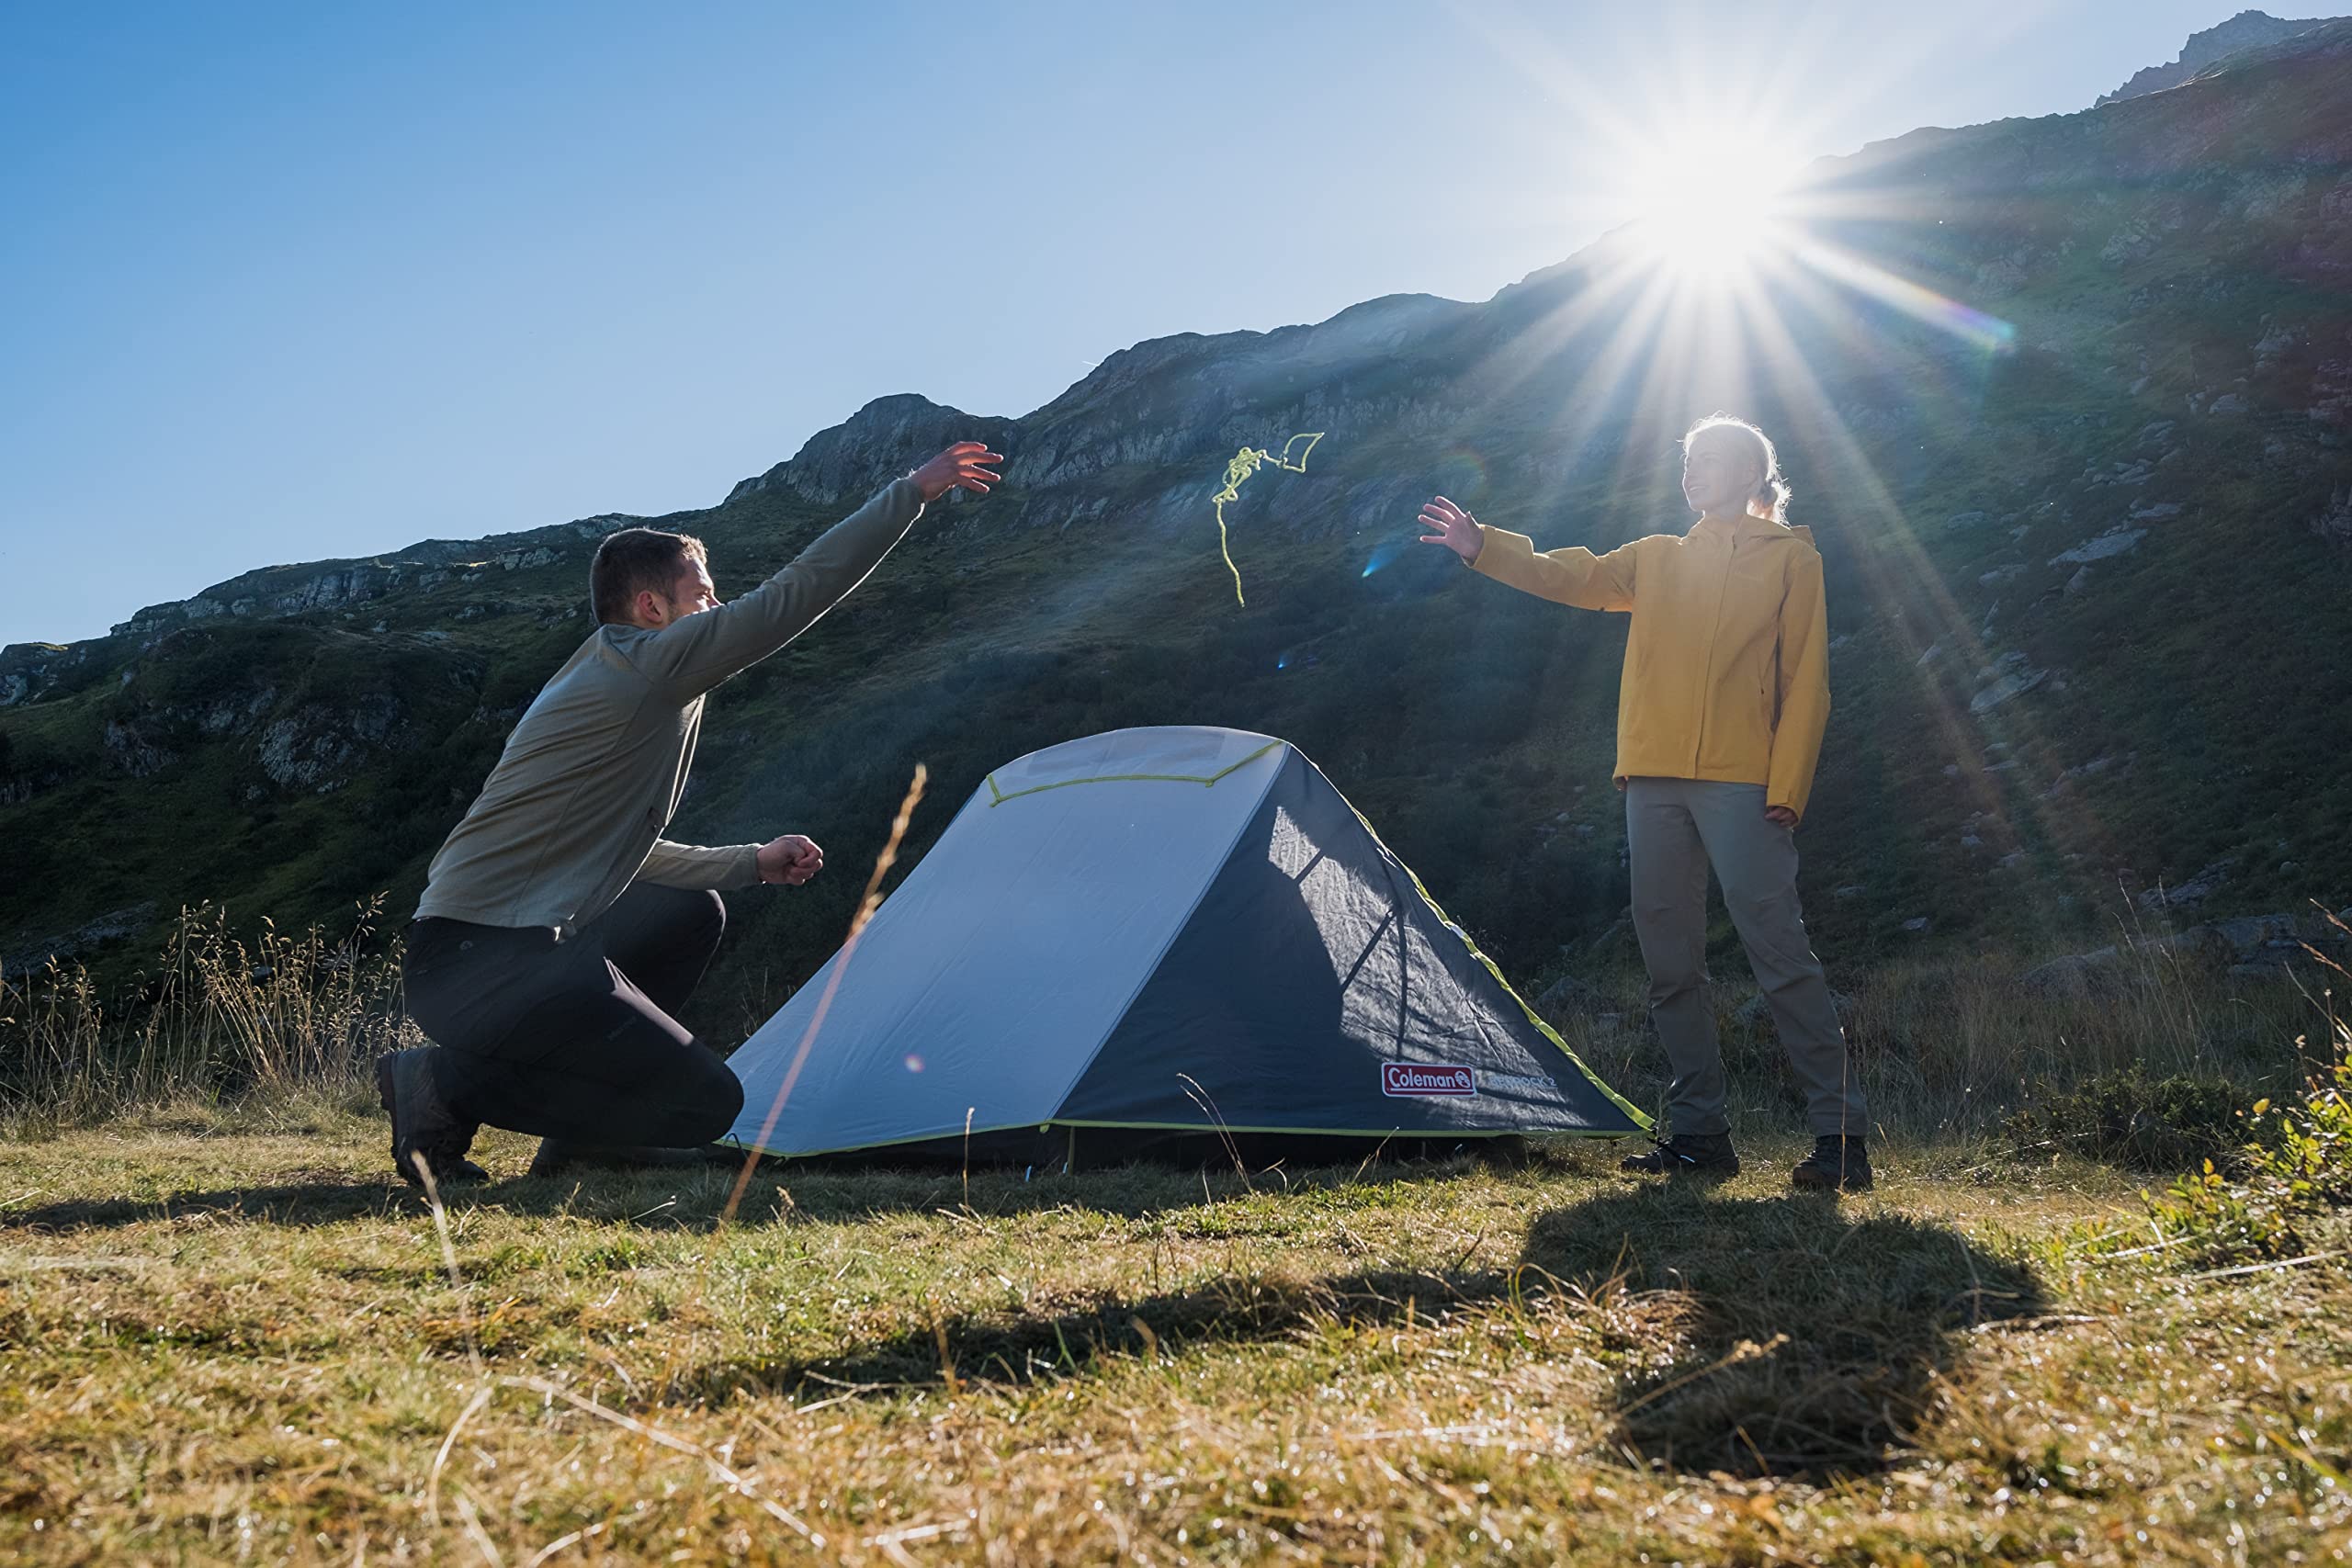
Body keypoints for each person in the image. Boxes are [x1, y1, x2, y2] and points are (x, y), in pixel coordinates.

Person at [378, 442, 1004, 1185]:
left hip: (517, 953)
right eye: (703, 594)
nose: (716, 608)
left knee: (693, 909)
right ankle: (439, 1083)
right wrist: (911, 492)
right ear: (652, 607)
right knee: (705, 1106)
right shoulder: (643, 665)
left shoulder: (622, 676)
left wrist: (749, 863)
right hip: (474, 962)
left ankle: (584, 1135)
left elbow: (618, 853)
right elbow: (790, 598)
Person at [1417, 415, 1871, 1191]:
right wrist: (1482, 545)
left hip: (1744, 782)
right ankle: (1700, 1134)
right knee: (1670, 965)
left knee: (1779, 954)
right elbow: (1575, 574)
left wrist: (1787, 786)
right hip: (1652, 779)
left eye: (1712, 460)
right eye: (1689, 461)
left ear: (1753, 471)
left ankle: (1839, 1137)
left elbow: (1807, 685)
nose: (1694, 472)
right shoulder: (1658, 558)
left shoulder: (1795, 559)